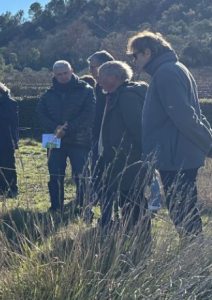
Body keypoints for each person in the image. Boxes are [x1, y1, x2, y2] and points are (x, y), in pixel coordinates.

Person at [130, 31, 212, 237]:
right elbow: (195, 113)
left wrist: (210, 146)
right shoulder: (174, 69)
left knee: (182, 210)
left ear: (148, 52)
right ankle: (194, 252)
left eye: (135, 55)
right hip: (178, 153)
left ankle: (195, 254)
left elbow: (185, 115)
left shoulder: (166, 73)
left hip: (176, 156)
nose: (134, 61)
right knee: (182, 208)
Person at [92, 61, 150, 233]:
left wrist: (144, 157)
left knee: (133, 200)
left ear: (113, 77)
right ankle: (130, 234)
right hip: (117, 159)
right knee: (127, 200)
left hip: (129, 160)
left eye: (101, 78)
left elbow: (137, 128)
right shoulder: (114, 95)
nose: (99, 81)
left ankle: (140, 238)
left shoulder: (127, 97)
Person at [37, 60, 95, 213]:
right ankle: (56, 207)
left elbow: (88, 115)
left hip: (79, 140)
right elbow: (41, 114)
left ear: (72, 70)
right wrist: (54, 128)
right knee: (54, 175)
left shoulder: (86, 90)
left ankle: (85, 207)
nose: (63, 77)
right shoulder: (48, 94)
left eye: (65, 73)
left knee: (82, 175)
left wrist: (66, 129)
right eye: (59, 74)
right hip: (53, 139)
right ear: (53, 75)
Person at [86, 51, 115, 210]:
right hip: (98, 139)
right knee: (98, 177)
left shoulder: (117, 88)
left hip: (111, 141)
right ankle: (104, 215)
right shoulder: (98, 86)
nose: (91, 72)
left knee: (110, 179)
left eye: (93, 68)